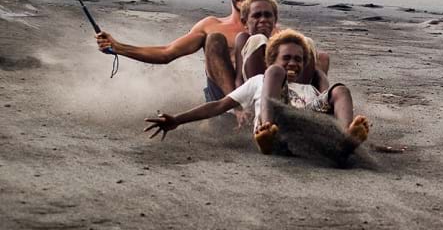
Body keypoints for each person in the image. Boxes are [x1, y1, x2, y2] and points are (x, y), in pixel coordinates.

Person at [144, 29, 369, 155]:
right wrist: (178, 120)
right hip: (276, 129)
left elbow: (329, 102)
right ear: (272, 58)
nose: (293, 63)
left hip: (307, 131)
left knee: (339, 89)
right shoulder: (261, 80)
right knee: (274, 73)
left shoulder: (309, 88)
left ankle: (345, 138)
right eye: (287, 58)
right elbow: (219, 105)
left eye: (299, 59)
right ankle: (268, 132)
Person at [96, 0, 262, 100]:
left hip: (257, 101)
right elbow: (167, 53)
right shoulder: (211, 25)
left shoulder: (275, 31)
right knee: (215, 39)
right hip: (220, 103)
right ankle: (233, 107)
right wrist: (119, 47)